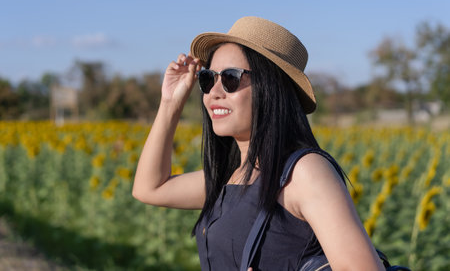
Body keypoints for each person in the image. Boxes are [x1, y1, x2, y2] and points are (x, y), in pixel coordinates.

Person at [132, 16, 385, 270]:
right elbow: (149, 188)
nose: (214, 92)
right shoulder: (230, 177)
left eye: (231, 78)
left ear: (271, 87)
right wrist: (170, 103)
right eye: (208, 79)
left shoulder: (304, 173)